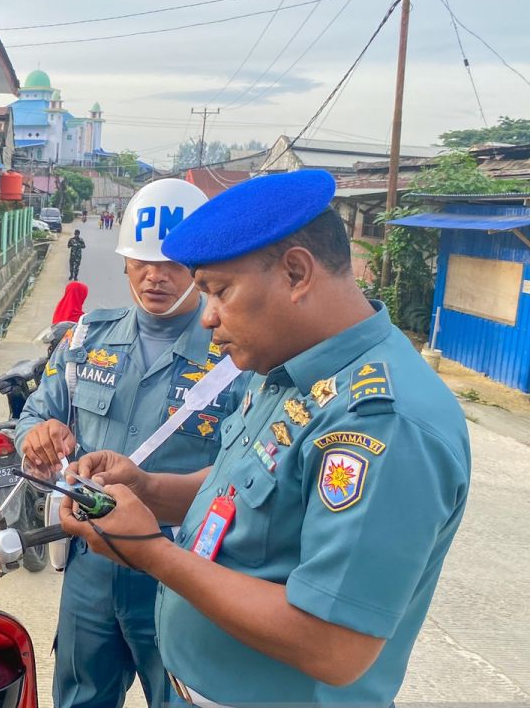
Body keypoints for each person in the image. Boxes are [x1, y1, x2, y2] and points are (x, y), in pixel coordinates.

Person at [61, 169, 471, 706]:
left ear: (297, 273)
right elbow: (243, 488)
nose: (207, 318)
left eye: (219, 291)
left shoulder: (382, 422)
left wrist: (151, 552)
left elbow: (333, 646)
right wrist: (147, 488)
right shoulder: (287, 367)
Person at [17, 179, 239, 708]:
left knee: (178, 697)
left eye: (172, 264)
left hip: (182, 568)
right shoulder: (86, 337)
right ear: (123, 263)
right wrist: (38, 437)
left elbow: (243, 471)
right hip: (90, 562)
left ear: (200, 271)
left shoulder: (235, 359)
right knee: (79, 697)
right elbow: (32, 416)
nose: (155, 276)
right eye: (142, 261)